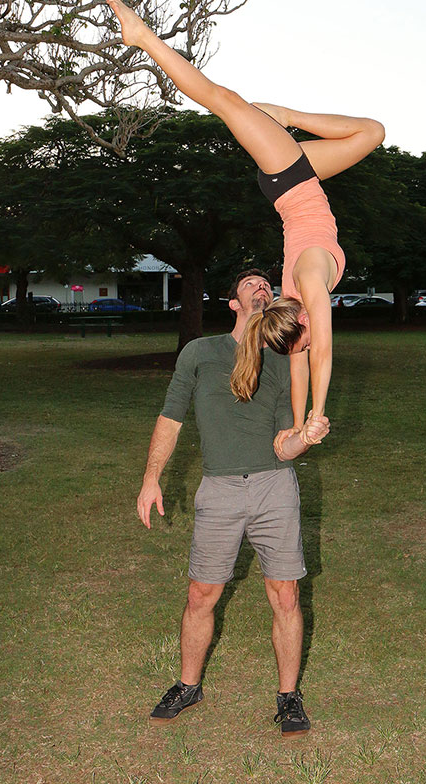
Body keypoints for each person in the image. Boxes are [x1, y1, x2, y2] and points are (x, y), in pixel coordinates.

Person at [105, 0, 384, 431]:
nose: (304, 349)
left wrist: (319, 412)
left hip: (288, 176)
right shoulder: (293, 304)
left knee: (222, 99)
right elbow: (300, 365)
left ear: (302, 324)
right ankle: (283, 115)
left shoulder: (309, 285)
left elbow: (323, 351)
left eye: (300, 343)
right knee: (371, 133)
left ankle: (142, 38)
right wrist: (297, 424)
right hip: (301, 179)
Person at [137, 269, 330, 736]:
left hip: (274, 486)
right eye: (250, 283)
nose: (262, 286)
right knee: (201, 594)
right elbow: (170, 416)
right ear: (232, 303)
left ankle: (288, 697)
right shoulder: (201, 353)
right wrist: (151, 478)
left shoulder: (285, 361)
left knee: (285, 595)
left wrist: (306, 436)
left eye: (267, 283)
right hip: (219, 489)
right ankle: (188, 684)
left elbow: (283, 446)